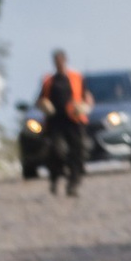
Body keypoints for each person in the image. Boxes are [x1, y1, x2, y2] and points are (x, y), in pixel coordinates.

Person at [37, 49, 90, 191]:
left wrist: (84, 107)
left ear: (65, 60)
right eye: (56, 61)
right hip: (55, 121)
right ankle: (55, 177)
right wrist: (44, 106)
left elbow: (87, 97)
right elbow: (40, 100)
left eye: (61, 60)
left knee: (77, 151)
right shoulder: (48, 80)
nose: (59, 63)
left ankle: (74, 182)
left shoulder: (76, 77)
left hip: (74, 120)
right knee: (55, 150)